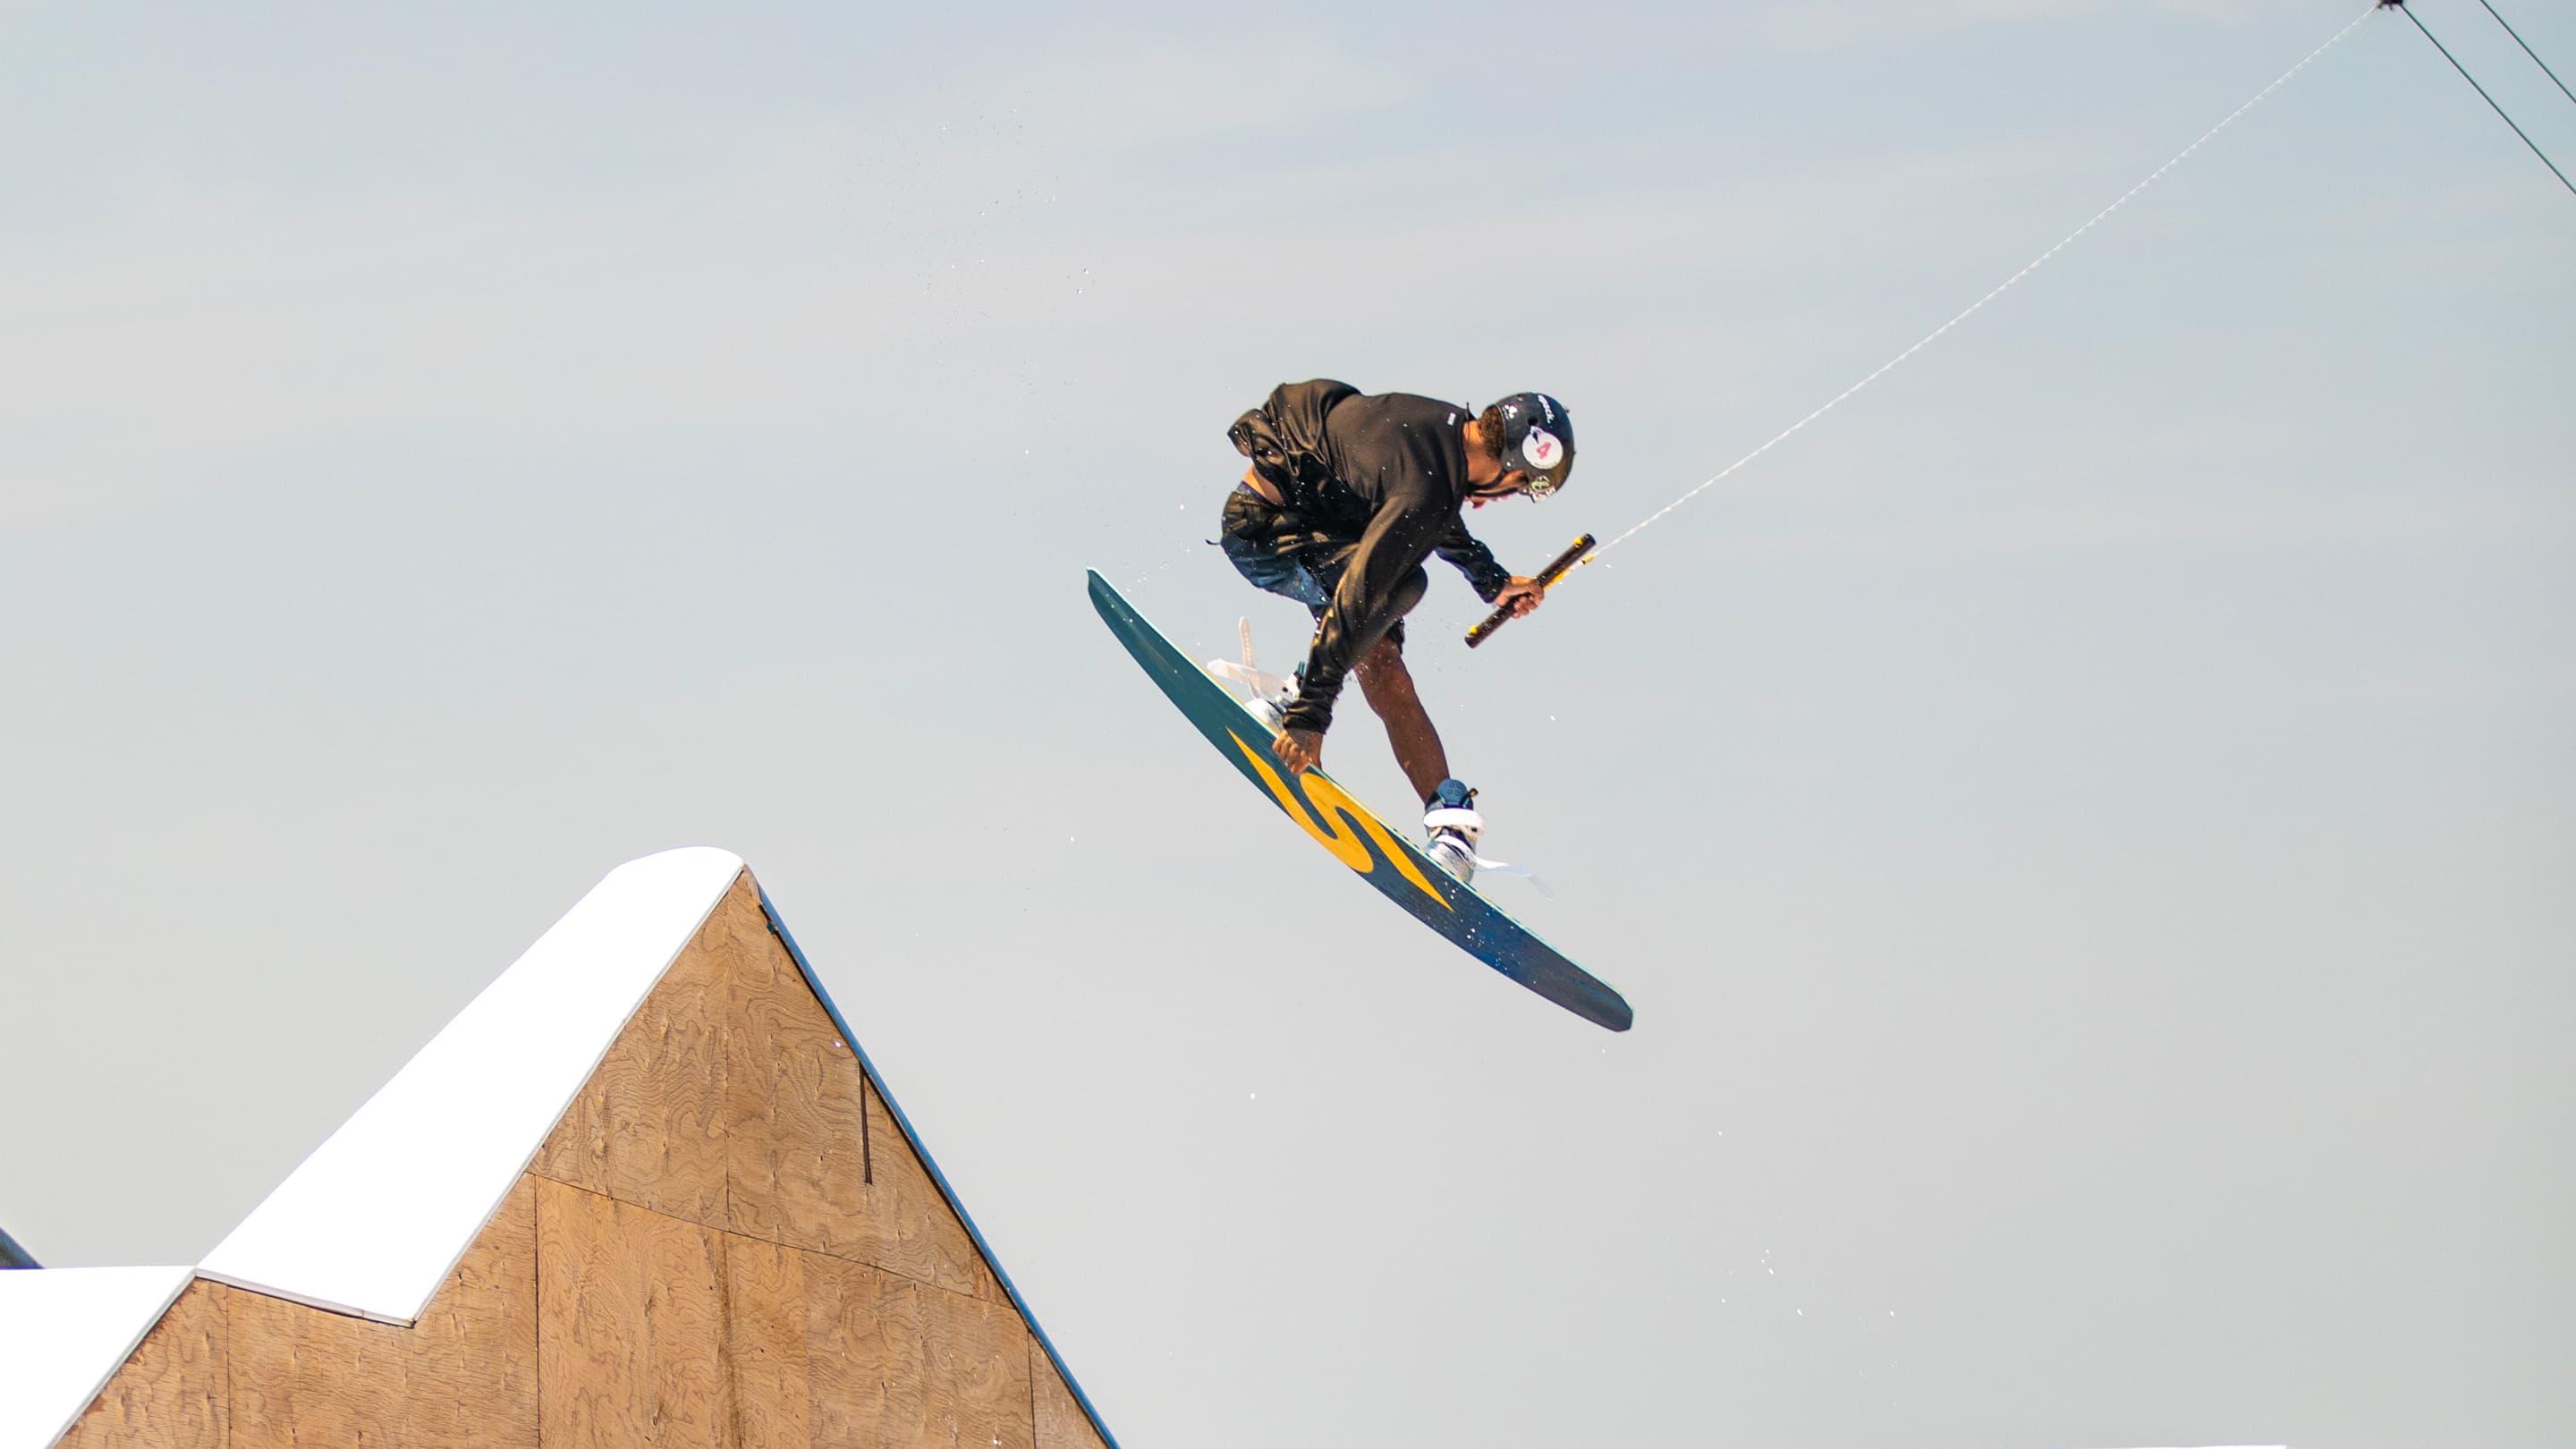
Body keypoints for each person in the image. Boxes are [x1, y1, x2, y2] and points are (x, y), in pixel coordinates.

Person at [1216, 379, 1574, 881]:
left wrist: (1492, 581)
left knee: (1380, 659)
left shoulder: (1444, 434)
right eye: (1517, 489)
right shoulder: (1424, 492)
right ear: (1514, 468)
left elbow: (1432, 510)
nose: (1495, 501)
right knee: (1402, 586)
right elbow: (1360, 594)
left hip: (1313, 523)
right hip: (1264, 535)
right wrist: (1310, 716)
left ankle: (1447, 820)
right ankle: (1294, 699)